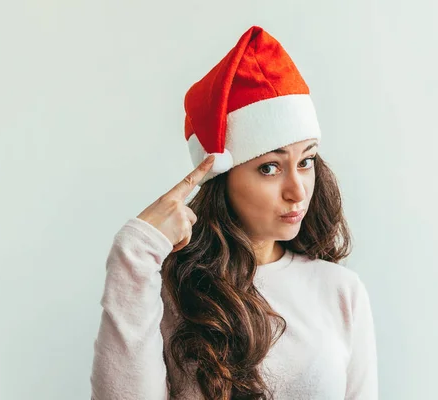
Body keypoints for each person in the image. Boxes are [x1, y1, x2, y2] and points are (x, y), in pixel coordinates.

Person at [90, 26, 378, 400]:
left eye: (306, 161)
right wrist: (134, 252)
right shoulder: (172, 290)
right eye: (269, 168)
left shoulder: (340, 290)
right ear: (222, 178)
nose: (297, 190)